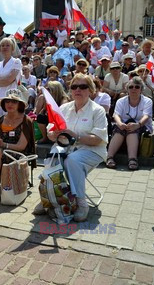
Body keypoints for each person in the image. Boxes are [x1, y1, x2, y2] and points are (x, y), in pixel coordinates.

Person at [45, 74, 108, 222]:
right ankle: (50, 199)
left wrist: (76, 136)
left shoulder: (97, 110)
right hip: (65, 148)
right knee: (51, 159)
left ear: (91, 90)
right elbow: (50, 130)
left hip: (92, 149)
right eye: (74, 87)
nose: (77, 90)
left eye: (83, 86)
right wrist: (52, 134)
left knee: (72, 161)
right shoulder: (63, 108)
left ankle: (81, 203)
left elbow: (98, 139)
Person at [106, 77, 153, 170]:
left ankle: (132, 159)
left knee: (132, 128)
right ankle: (109, 157)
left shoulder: (148, 101)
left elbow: (146, 116)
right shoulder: (121, 101)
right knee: (119, 128)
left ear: (141, 89)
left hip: (142, 126)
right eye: (131, 87)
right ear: (127, 89)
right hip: (123, 126)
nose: (134, 89)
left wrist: (138, 124)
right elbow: (116, 115)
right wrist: (119, 123)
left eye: (137, 87)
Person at [0, 37, 22, 121]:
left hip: (11, 97)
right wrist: (4, 81)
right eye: (2, 45)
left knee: (9, 123)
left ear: (12, 48)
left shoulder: (16, 62)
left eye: (7, 45)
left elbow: (10, 80)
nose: (5, 47)